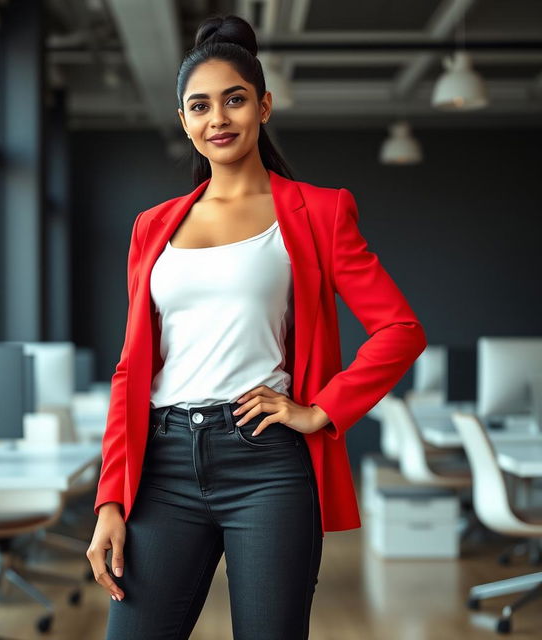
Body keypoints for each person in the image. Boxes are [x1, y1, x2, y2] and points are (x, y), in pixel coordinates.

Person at [86, 13, 427, 640]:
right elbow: (132, 367)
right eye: (200, 106)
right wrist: (111, 499)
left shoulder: (318, 212)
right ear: (184, 120)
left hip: (266, 464)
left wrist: (320, 410)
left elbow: (400, 329)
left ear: (263, 106)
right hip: (162, 466)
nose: (218, 119)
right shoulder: (152, 226)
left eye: (234, 100)